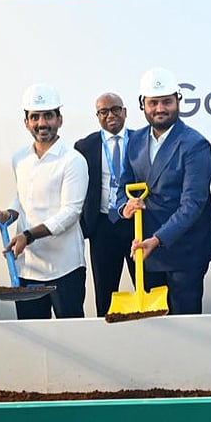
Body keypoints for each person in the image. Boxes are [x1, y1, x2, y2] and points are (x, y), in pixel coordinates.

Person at [116, 68, 211, 315]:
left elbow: (193, 204)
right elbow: (123, 186)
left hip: (186, 249)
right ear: (143, 104)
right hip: (147, 249)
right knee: (156, 325)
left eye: (166, 102)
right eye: (153, 102)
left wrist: (158, 239)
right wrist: (124, 207)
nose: (160, 108)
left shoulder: (195, 144)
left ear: (178, 101)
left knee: (185, 320)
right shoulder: (135, 140)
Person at [0, 84, 88, 319]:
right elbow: (22, 195)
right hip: (28, 267)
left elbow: (71, 212)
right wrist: (10, 213)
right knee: (32, 333)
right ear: (26, 122)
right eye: (35, 117)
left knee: (71, 335)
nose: (42, 123)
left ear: (59, 119)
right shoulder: (19, 158)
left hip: (65, 267)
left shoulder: (73, 160)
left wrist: (28, 235)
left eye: (48, 116)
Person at [75, 92, 136, 317]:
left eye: (115, 109)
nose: (110, 115)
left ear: (124, 112)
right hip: (102, 225)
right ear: (98, 116)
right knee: (105, 292)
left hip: (137, 225)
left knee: (146, 284)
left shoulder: (141, 140)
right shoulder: (85, 146)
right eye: (103, 111)